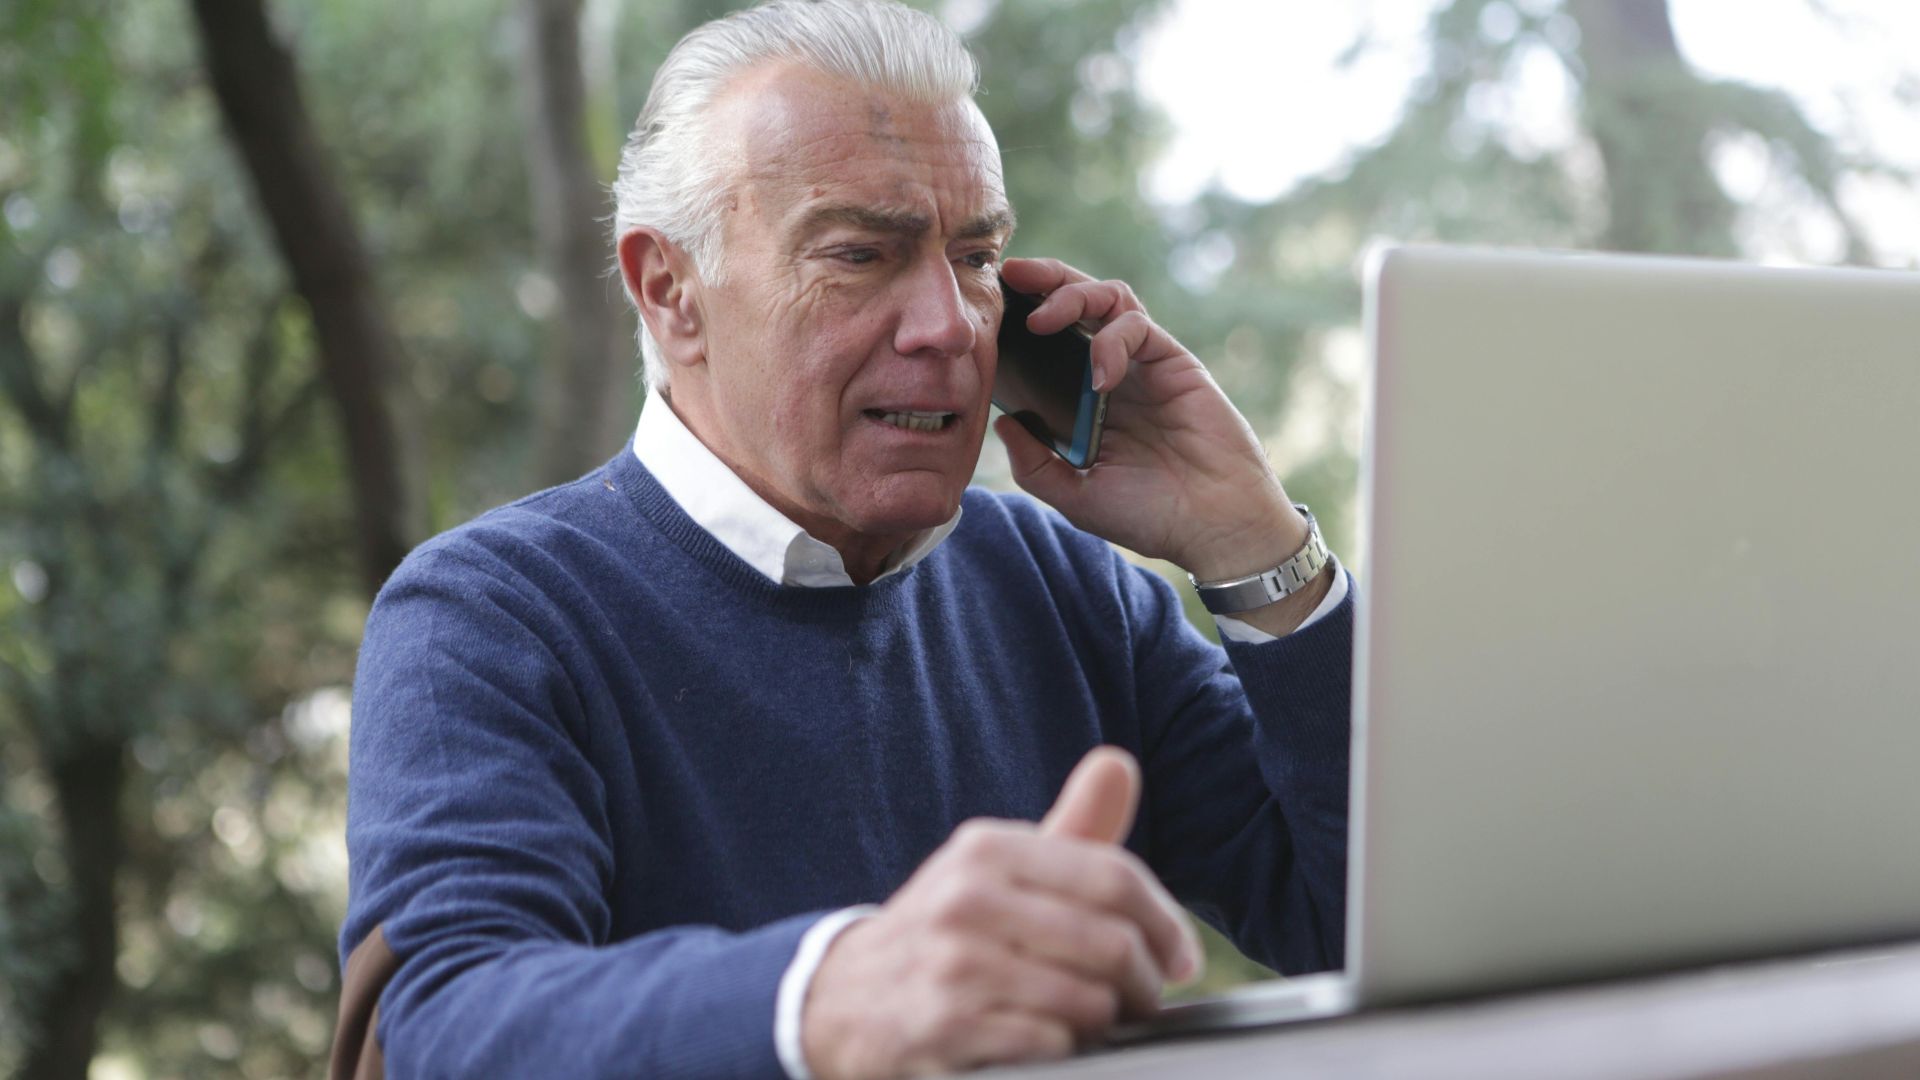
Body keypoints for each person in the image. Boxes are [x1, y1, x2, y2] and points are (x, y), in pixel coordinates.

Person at [332, 2, 1355, 1078]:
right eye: (862, 253)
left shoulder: (1064, 591)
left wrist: (1251, 541)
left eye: (976, 257)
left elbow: (1367, 920)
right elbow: (439, 1023)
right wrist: (829, 995)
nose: (951, 325)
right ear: (670, 291)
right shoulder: (491, 614)